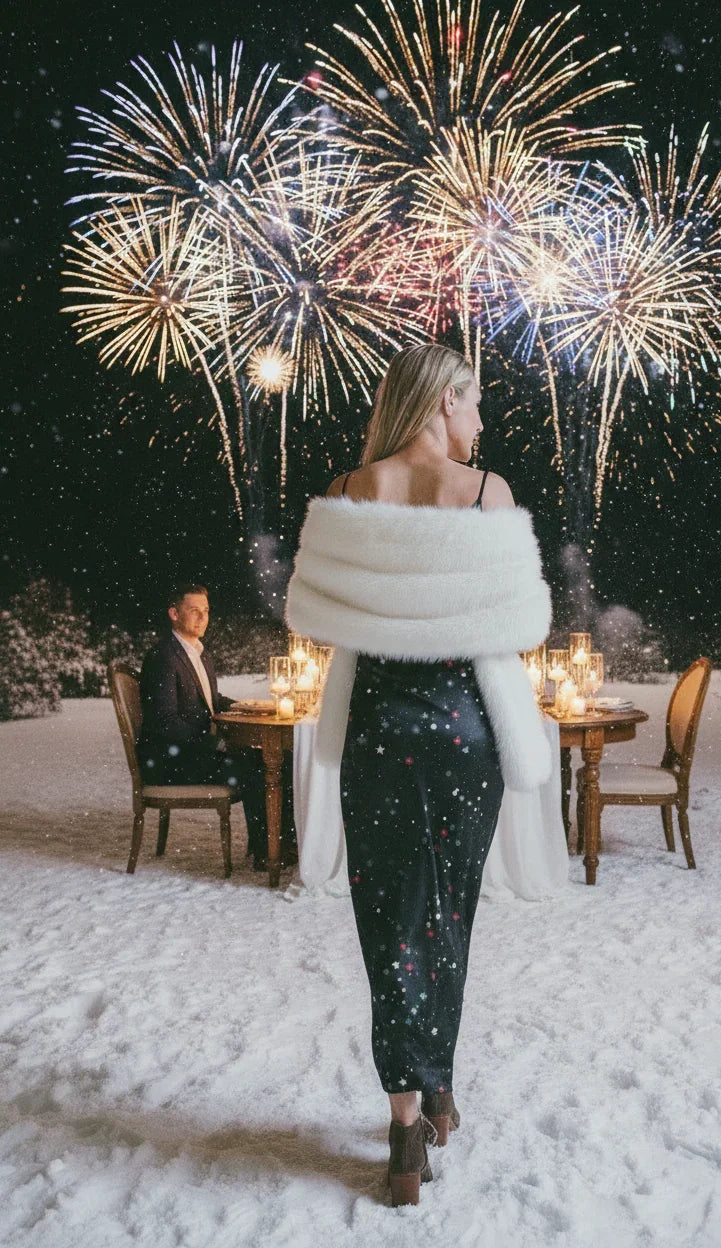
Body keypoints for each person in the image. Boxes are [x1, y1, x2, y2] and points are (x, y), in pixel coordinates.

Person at [285, 344, 552, 1205]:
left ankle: (408, 1119)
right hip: (462, 729)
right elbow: (524, 627)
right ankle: (436, 1086)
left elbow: (316, 617)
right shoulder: (488, 495)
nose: (480, 422)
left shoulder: (354, 488)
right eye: (473, 404)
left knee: (390, 914)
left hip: (379, 734)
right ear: (443, 401)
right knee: (447, 911)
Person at [137, 584, 270, 868]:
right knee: (260, 764)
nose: (202, 618)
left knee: (271, 758)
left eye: (206, 611)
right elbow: (165, 722)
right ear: (174, 613)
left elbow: (211, 701)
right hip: (170, 763)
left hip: (190, 754)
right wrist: (218, 744)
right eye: (194, 611)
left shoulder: (198, 653)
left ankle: (275, 846)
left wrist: (245, 706)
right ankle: (267, 853)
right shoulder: (163, 657)